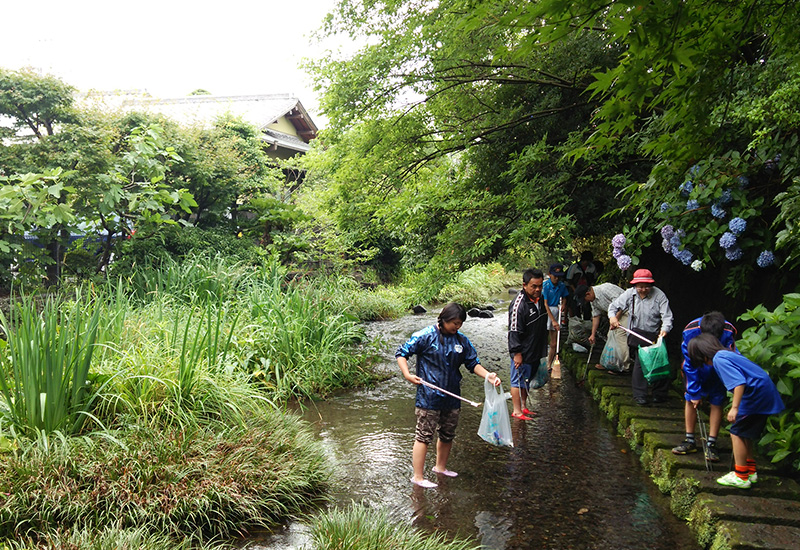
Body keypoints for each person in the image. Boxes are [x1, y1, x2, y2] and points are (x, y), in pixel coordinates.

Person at [396, 302, 501, 489]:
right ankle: (418, 477)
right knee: (423, 436)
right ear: (443, 319)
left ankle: (440, 468)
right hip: (428, 397)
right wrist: (407, 374)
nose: (457, 327)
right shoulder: (425, 336)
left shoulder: (461, 341)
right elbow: (402, 353)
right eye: (454, 323)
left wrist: (489, 376)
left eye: (460, 323)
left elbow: (472, 363)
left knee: (447, 434)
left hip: (452, 396)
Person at [687, 333, 784, 489]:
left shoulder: (719, 360)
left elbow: (739, 383)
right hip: (764, 392)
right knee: (745, 433)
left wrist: (734, 408)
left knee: (736, 432)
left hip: (756, 395)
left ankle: (741, 476)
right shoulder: (726, 354)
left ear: (701, 355)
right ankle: (750, 471)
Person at [672, 312, 738, 462]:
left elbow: (731, 355)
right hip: (697, 366)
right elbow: (688, 364)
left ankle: (711, 443)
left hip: (718, 369)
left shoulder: (728, 331)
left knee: (717, 401)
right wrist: (695, 392)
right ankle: (690, 440)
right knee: (690, 400)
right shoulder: (690, 331)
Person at [608, 269, 674, 406]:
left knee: (659, 363)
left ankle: (659, 394)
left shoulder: (659, 296)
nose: (643, 289)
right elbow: (613, 307)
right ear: (635, 285)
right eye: (640, 287)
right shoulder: (629, 294)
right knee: (640, 363)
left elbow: (667, 316)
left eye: (646, 286)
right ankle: (640, 395)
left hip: (655, 335)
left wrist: (664, 330)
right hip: (637, 335)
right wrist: (613, 318)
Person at [508, 269, 548, 420]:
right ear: (524, 285)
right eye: (534, 286)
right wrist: (516, 352)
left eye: (540, 286)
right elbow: (513, 330)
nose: (537, 289)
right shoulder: (519, 304)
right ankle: (517, 410)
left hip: (535, 347)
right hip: (522, 350)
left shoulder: (539, 299)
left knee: (527, 378)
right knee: (517, 380)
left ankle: (524, 407)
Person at [575, 282, 630, 373]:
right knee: (610, 336)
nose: (586, 302)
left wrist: (615, 320)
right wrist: (593, 334)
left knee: (620, 336)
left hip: (626, 312)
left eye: (585, 299)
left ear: (588, 294)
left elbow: (621, 305)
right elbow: (596, 316)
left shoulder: (605, 289)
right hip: (614, 316)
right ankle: (610, 362)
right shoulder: (593, 301)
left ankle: (623, 367)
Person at [543, 263, 569, 369]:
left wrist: (563, 304)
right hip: (545, 312)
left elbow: (565, 296)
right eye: (555, 276)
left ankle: (549, 364)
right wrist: (553, 320)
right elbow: (545, 304)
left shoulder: (561, 285)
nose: (557, 278)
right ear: (550, 274)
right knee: (541, 339)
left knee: (554, 343)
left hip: (556, 311)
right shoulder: (545, 286)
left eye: (559, 276)